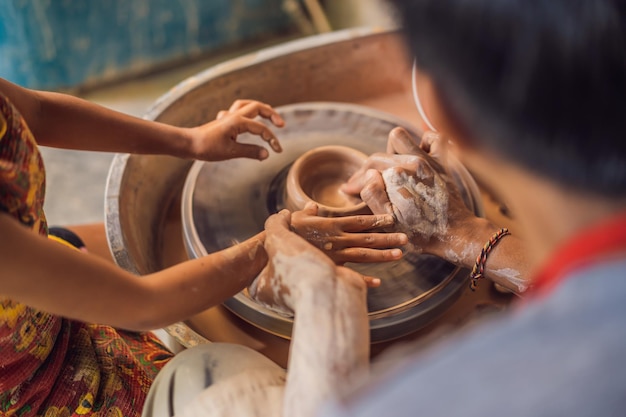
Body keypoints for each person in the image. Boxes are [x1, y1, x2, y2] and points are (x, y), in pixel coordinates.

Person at [146, 0, 626, 415]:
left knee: (195, 378)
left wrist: (324, 303)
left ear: (442, 114)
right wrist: (468, 235)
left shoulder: (424, 401)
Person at [0, 77, 407, 417]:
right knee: (212, 380)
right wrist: (271, 246)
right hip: (38, 386)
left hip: (40, 281)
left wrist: (189, 140)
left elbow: (35, 112)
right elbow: (143, 305)